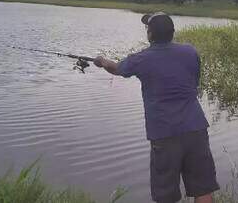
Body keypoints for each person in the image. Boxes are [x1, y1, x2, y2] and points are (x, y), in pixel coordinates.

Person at [94, 12, 220, 203]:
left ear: (150, 34)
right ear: (173, 32)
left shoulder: (142, 58)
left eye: (147, 28)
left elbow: (116, 68)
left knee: (165, 194)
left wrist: (102, 61)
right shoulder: (190, 51)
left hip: (164, 133)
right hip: (196, 128)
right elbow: (194, 81)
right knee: (202, 189)